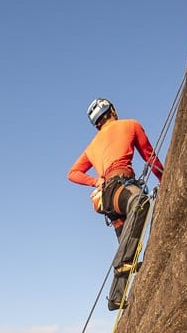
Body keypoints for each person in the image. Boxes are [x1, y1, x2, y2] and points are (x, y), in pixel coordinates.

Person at [67, 97, 164, 251]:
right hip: (122, 189)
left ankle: (122, 272)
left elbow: (72, 173)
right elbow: (150, 158)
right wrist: (165, 179)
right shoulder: (130, 125)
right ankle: (123, 263)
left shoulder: (92, 146)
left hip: (107, 199)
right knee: (140, 204)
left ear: (97, 123)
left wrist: (95, 181)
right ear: (112, 110)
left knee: (125, 247)